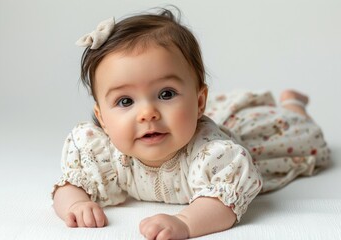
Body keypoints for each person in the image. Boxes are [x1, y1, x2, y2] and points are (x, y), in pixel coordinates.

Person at [52, 7, 330, 240]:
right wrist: (75, 203)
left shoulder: (216, 157)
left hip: (257, 143)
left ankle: (294, 105)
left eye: (166, 94)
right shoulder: (103, 153)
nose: (147, 113)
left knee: (296, 131)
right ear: (102, 118)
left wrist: (185, 222)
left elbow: (223, 204)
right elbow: (70, 184)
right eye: (125, 101)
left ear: (199, 103)